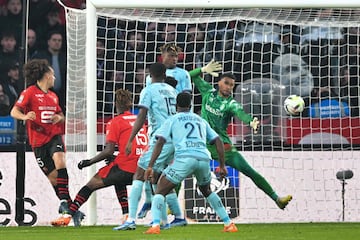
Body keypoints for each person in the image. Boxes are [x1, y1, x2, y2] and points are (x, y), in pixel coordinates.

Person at [189, 60, 292, 210]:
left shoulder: (231, 103)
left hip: (222, 148)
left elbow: (241, 113)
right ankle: (172, 205)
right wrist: (203, 69)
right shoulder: (208, 92)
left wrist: (251, 121)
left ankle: (277, 199)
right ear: (219, 83)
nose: (229, 87)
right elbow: (190, 75)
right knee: (180, 166)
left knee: (250, 172)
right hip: (201, 144)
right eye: (226, 83)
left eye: (231, 85)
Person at [51, 89, 148, 227]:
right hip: (142, 169)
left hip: (126, 168)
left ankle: (67, 216)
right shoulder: (139, 121)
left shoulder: (115, 122)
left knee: (90, 185)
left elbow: (108, 151)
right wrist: (115, 157)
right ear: (130, 104)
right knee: (115, 177)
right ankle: (126, 215)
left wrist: (89, 162)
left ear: (116, 105)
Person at [143, 92, 238, 234]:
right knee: (207, 190)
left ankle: (156, 225)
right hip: (204, 159)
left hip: (185, 158)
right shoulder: (200, 120)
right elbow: (218, 140)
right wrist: (222, 165)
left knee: (160, 188)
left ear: (176, 105)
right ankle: (228, 223)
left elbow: (160, 141)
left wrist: (150, 166)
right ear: (191, 105)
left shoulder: (172, 120)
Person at [113, 63, 186, 231]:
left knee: (140, 174)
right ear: (164, 74)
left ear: (150, 74)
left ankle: (130, 219)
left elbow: (142, 115)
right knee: (157, 178)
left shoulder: (148, 90)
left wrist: (131, 138)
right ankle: (176, 217)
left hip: (161, 138)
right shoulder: (172, 91)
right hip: (175, 140)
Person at [10, 59, 79, 225]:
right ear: (47, 76)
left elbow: (62, 116)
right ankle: (72, 210)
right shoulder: (29, 93)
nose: (54, 78)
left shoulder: (53, 97)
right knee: (54, 179)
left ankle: (64, 206)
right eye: (53, 75)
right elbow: (14, 111)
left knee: (60, 160)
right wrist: (25, 116)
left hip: (54, 136)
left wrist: (59, 118)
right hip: (38, 143)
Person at [139, 43, 192, 218]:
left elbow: (186, 100)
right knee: (157, 169)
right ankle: (163, 209)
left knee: (151, 168)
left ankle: (160, 212)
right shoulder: (151, 78)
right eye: (170, 55)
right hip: (156, 128)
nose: (174, 59)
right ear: (162, 55)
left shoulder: (183, 74)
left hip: (175, 128)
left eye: (176, 56)